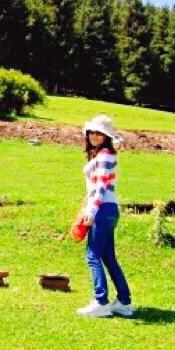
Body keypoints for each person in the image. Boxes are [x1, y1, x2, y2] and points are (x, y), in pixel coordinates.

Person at [71, 114, 134, 318]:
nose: (94, 136)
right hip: (108, 209)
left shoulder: (105, 155)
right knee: (108, 256)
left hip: (102, 209)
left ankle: (101, 301)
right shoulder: (105, 154)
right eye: (92, 132)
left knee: (93, 256)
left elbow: (99, 187)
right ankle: (123, 302)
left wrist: (90, 211)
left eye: (100, 133)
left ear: (106, 136)